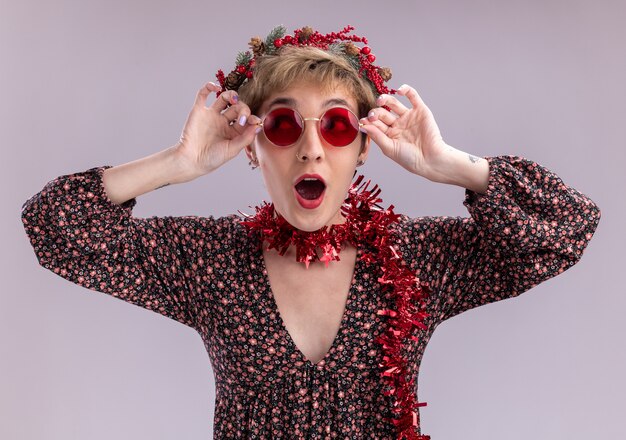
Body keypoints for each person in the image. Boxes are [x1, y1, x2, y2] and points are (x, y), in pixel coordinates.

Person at [21, 25, 601, 439]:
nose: (311, 148)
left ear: (366, 146)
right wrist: (179, 163)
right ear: (254, 148)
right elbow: (53, 226)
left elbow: (567, 227)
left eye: (339, 125)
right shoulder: (210, 259)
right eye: (281, 124)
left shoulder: (418, 259)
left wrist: (448, 165)